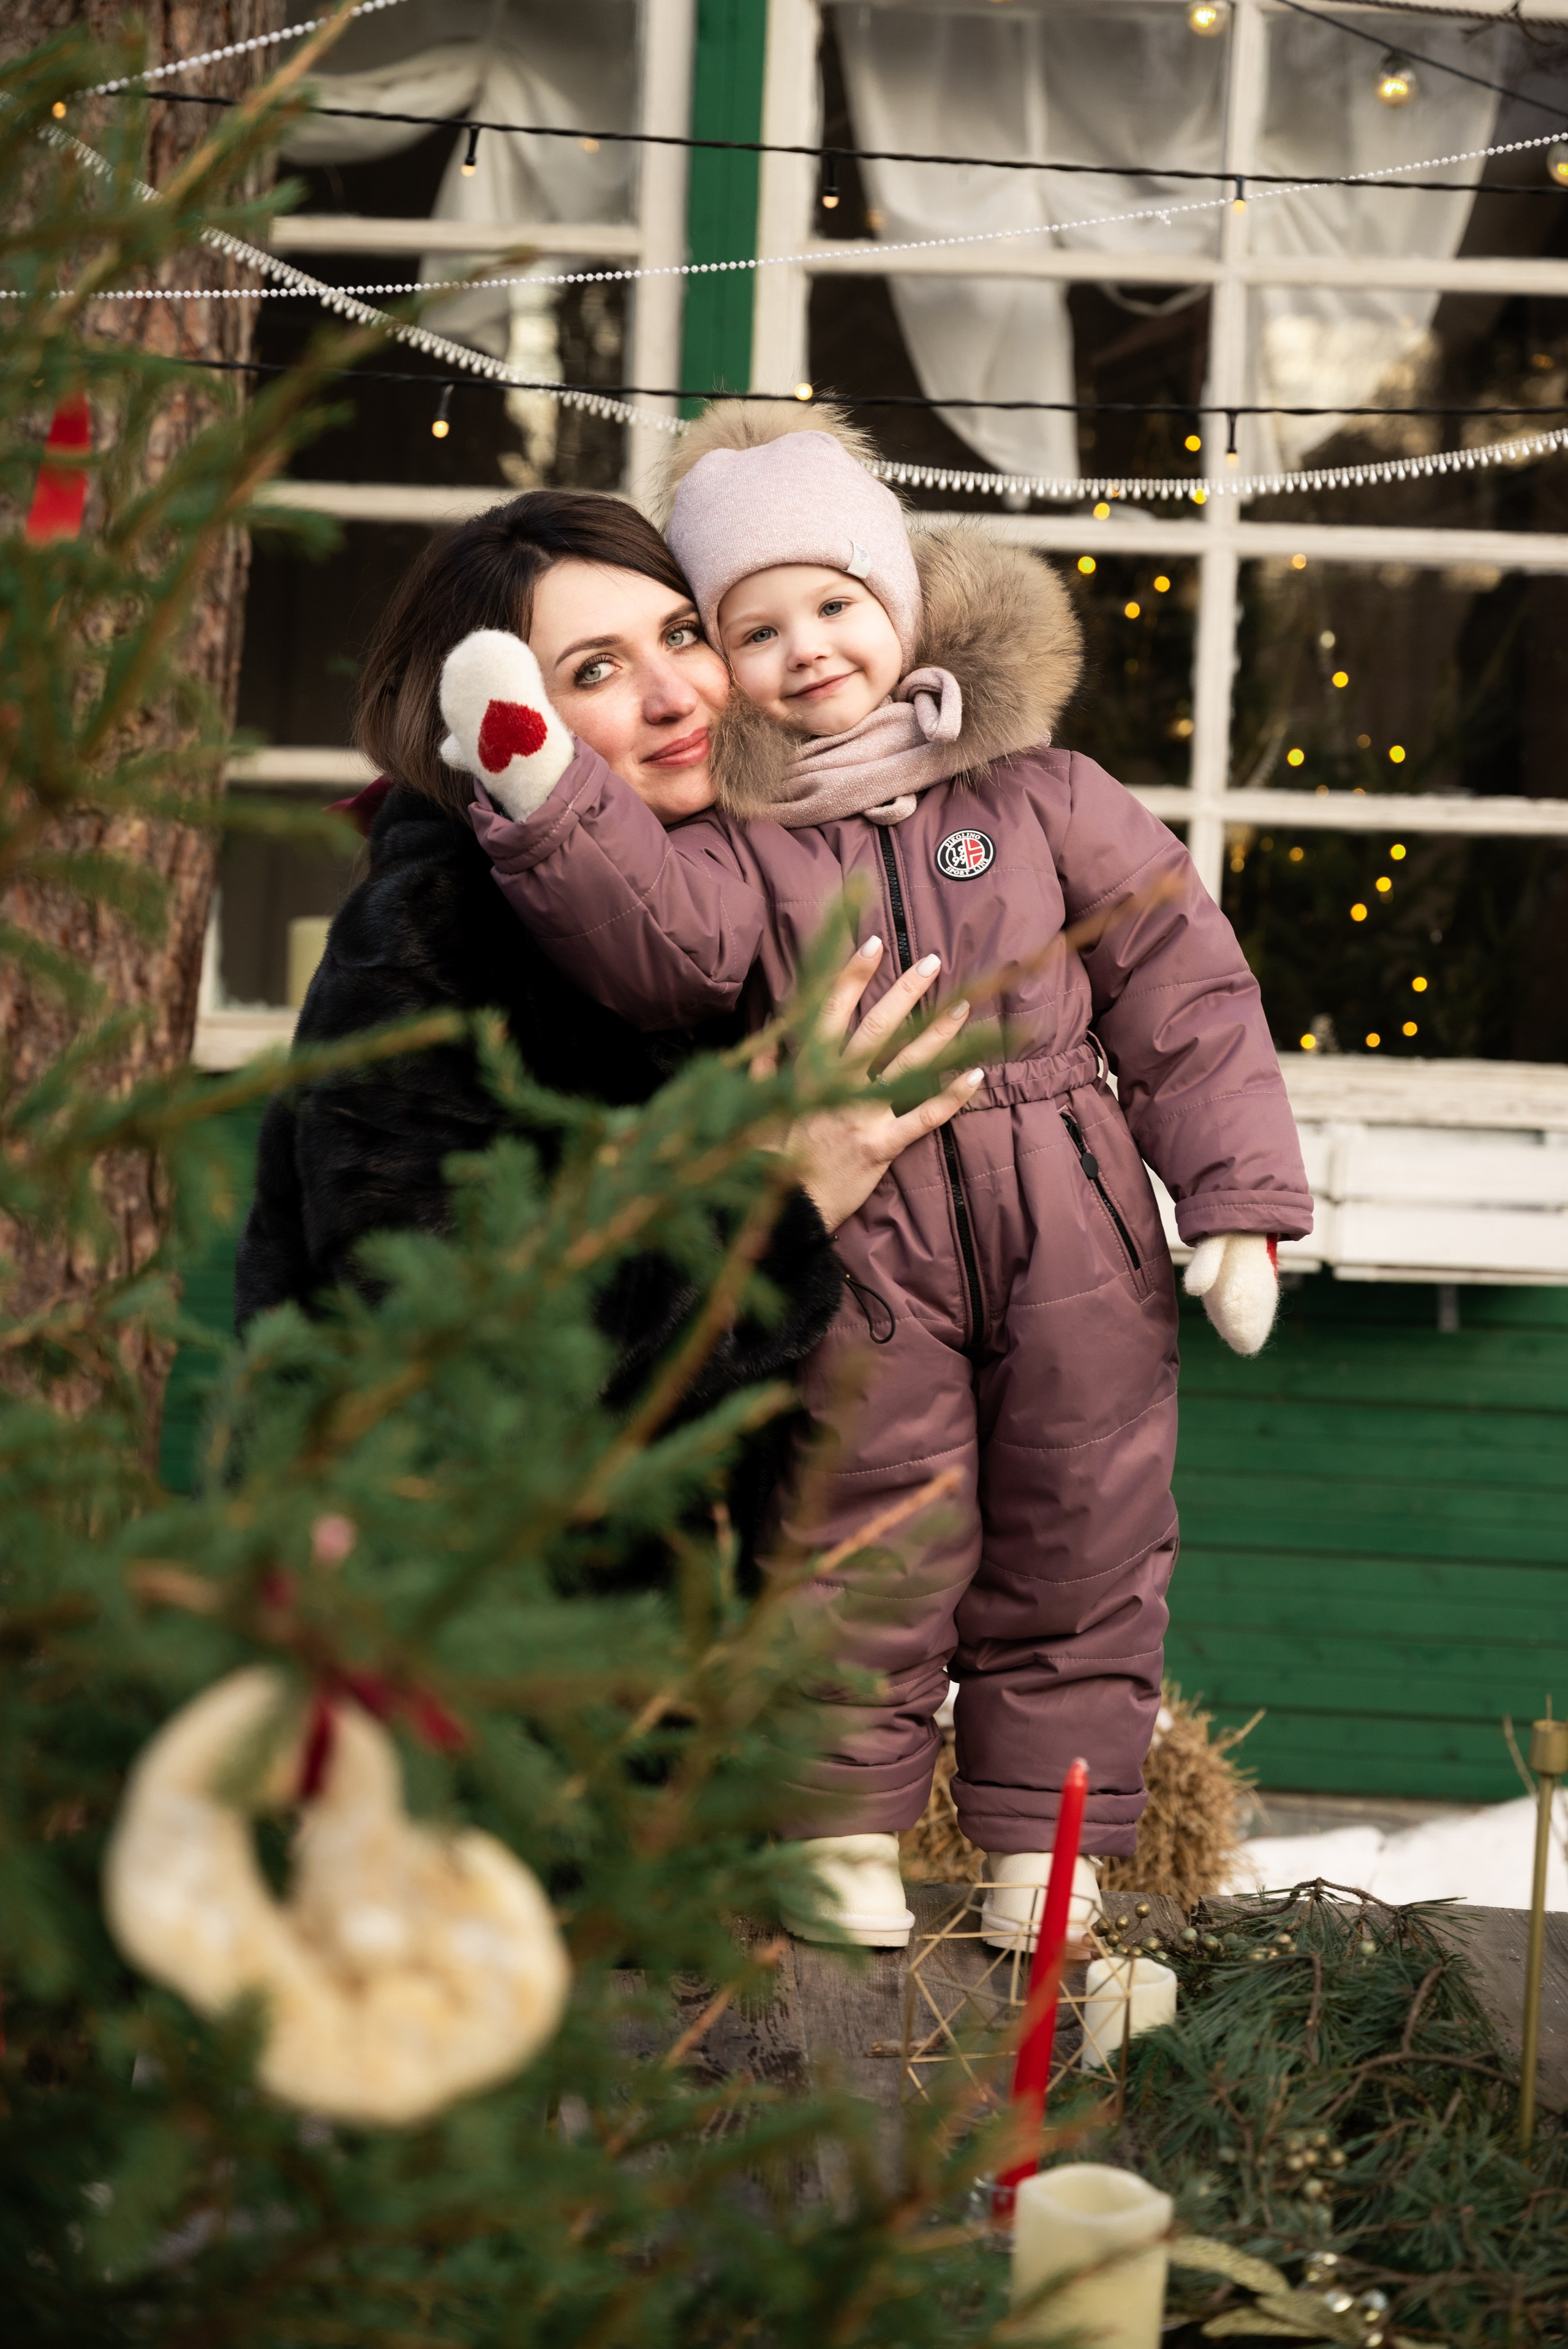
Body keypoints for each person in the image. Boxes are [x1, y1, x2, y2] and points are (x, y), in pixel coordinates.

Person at [436, 406, 1314, 1955]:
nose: (809, 649)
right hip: (868, 1263)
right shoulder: (746, 850)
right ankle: (836, 1832)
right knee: (857, 1537)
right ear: (723, 659)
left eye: (834, 602)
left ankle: (1050, 1857)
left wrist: (1234, 1196)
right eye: (755, 627)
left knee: (1085, 1540)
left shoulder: (1042, 796)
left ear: (901, 598)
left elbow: (1182, 982)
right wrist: (547, 792)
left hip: (1079, 1236)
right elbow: (652, 937)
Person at [235, 489, 976, 1574]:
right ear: (491, 723)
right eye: (595, 670)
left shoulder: (767, 873)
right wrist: (779, 1202)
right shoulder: (435, 940)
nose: (677, 697)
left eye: (682, 634)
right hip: (482, 1631)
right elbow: (436, 1362)